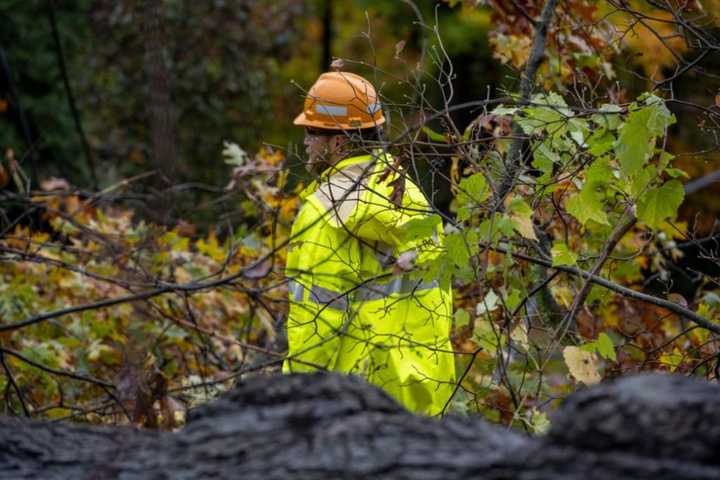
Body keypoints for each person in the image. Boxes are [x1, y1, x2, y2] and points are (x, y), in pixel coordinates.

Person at [282, 71, 456, 415]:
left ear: (339, 142)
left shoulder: (322, 213)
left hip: (354, 409)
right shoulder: (406, 194)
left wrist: (289, 401)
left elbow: (316, 326)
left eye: (311, 132)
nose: (304, 142)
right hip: (424, 401)